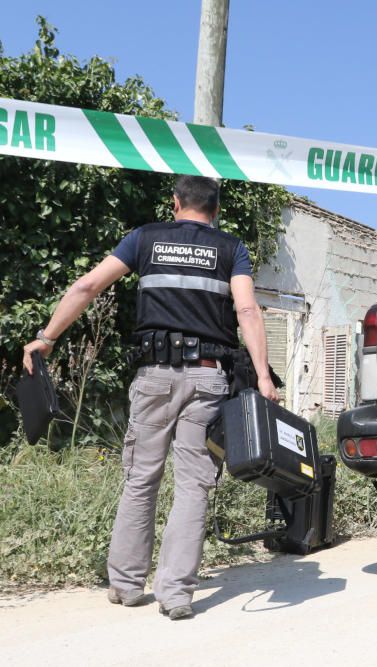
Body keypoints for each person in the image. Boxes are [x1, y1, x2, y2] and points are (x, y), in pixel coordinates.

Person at [22, 176, 278, 619]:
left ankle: (125, 586)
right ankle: (176, 594)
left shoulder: (145, 238)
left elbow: (86, 287)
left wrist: (46, 338)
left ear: (175, 203)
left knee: (141, 479)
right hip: (208, 380)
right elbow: (247, 309)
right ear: (215, 211)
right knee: (195, 484)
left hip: (154, 378)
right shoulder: (231, 248)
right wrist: (263, 376)